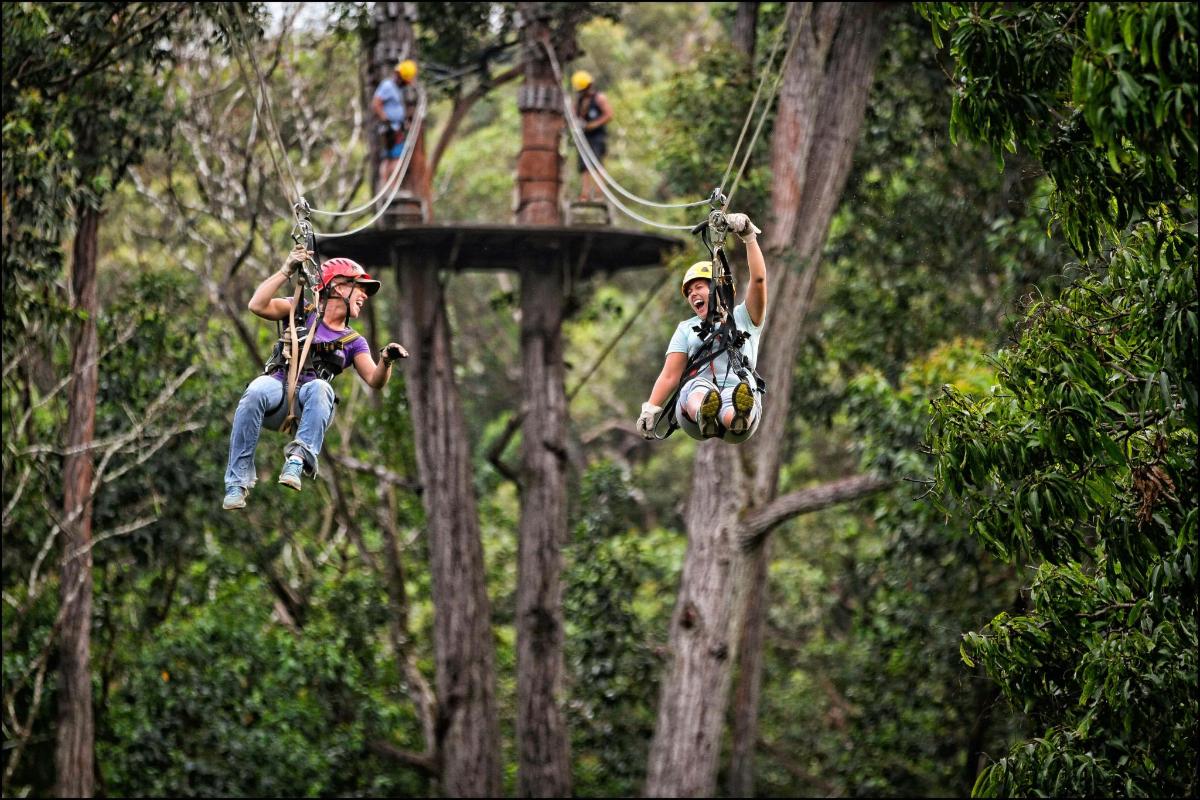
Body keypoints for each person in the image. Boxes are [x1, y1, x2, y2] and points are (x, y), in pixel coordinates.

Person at [222, 244, 408, 510]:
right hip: (279, 390)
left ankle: (298, 459)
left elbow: (375, 380)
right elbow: (257, 305)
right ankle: (236, 483)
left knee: (321, 387)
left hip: (310, 406)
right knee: (254, 391)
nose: (365, 296)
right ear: (339, 287)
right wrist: (286, 270)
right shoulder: (299, 310)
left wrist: (386, 360)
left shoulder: (353, 342)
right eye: (360, 288)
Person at [636, 213, 766, 443]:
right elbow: (670, 375)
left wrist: (748, 236)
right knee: (697, 386)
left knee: (735, 394)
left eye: (699, 287)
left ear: (719, 286)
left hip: (739, 395)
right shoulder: (686, 328)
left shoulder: (745, 317)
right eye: (689, 292)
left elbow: (758, 280)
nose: (692, 294)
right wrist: (651, 407)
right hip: (692, 410)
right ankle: (705, 413)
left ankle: (736, 416)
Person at [372, 59, 418, 194]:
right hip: (389, 129)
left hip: (396, 127)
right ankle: (389, 189)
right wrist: (386, 120)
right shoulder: (387, 86)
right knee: (393, 159)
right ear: (401, 77)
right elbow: (376, 103)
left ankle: (389, 188)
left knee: (393, 158)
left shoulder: (396, 89)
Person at [571, 70, 613, 202]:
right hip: (584, 138)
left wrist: (594, 124)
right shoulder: (578, 101)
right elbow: (573, 116)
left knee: (597, 165)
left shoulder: (599, 98)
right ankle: (585, 194)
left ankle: (600, 194)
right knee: (584, 167)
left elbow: (609, 114)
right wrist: (576, 124)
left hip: (597, 137)